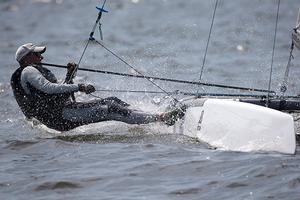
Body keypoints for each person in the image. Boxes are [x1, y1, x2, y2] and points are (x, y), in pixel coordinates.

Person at [11, 43, 185, 131]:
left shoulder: (34, 70)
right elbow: (49, 89)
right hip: (59, 116)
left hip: (61, 111)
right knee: (111, 109)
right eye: (37, 54)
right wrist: (79, 86)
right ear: (27, 58)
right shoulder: (28, 71)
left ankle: (152, 116)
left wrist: (69, 76)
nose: (41, 57)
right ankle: (162, 118)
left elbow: (58, 92)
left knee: (112, 101)